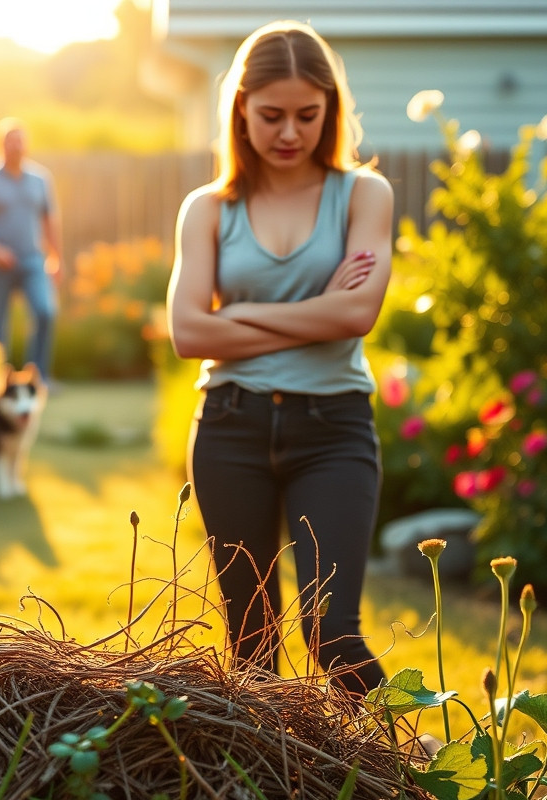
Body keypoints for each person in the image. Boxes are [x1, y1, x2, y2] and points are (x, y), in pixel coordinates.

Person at [166, 20, 393, 696]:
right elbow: (186, 333)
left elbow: (357, 314)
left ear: (330, 110)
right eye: (271, 116)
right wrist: (311, 315)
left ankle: (415, 779)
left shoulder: (364, 196)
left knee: (333, 633)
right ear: (240, 108)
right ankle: (267, 799)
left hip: (333, 431)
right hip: (229, 430)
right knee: (252, 648)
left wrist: (235, 318)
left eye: (306, 115)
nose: (289, 132)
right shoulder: (207, 209)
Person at [0, 118, 63, 378]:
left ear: (26, 145)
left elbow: (50, 220)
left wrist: (56, 256)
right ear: (1, 145)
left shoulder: (40, 179)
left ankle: (38, 376)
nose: (15, 146)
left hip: (32, 261)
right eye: (10, 141)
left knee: (45, 311)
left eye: (20, 141)